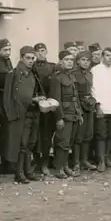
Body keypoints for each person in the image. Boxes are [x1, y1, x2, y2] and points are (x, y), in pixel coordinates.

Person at [3, 46, 44, 184]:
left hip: (34, 112)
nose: (31, 61)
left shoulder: (33, 73)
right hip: (21, 114)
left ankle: (28, 170)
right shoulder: (14, 74)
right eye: (28, 58)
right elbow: (11, 96)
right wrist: (31, 100)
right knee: (22, 144)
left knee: (31, 143)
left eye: (33, 58)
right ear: (21, 58)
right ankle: (19, 173)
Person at [50, 50, 83, 178]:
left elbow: (76, 97)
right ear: (61, 62)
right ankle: (59, 168)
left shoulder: (71, 76)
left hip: (73, 113)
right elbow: (55, 99)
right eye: (67, 60)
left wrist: (79, 113)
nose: (69, 62)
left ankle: (65, 166)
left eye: (71, 60)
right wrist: (59, 118)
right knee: (62, 142)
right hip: (64, 114)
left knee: (69, 142)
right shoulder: (56, 78)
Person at [91, 47, 111, 172]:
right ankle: (101, 161)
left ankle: (108, 158)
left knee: (110, 134)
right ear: (102, 57)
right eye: (108, 55)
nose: (110, 58)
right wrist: (98, 106)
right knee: (101, 135)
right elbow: (94, 89)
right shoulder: (95, 70)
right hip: (102, 107)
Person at [33, 42, 56, 175]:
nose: (41, 53)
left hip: (49, 106)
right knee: (35, 136)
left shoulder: (52, 67)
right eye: (38, 51)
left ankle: (45, 163)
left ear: (46, 52)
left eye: (43, 51)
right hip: (35, 105)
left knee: (47, 136)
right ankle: (36, 162)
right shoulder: (32, 67)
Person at [73, 51, 98, 172]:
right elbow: (74, 93)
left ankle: (84, 160)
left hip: (89, 106)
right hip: (79, 106)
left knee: (88, 134)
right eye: (83, 60)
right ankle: (76, 162)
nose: (85, 62)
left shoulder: (90, 74)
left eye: (88, 60)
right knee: (79, 135)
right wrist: (78, 110)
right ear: (77, 61)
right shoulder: (73, 74)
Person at [0, 38, 14, 174]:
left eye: (9, 49)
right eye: (5, 50)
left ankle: (7, 163)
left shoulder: (8, 62)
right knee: (0, 135)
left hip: (7, 101)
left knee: (7, 135)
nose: (8, 52)